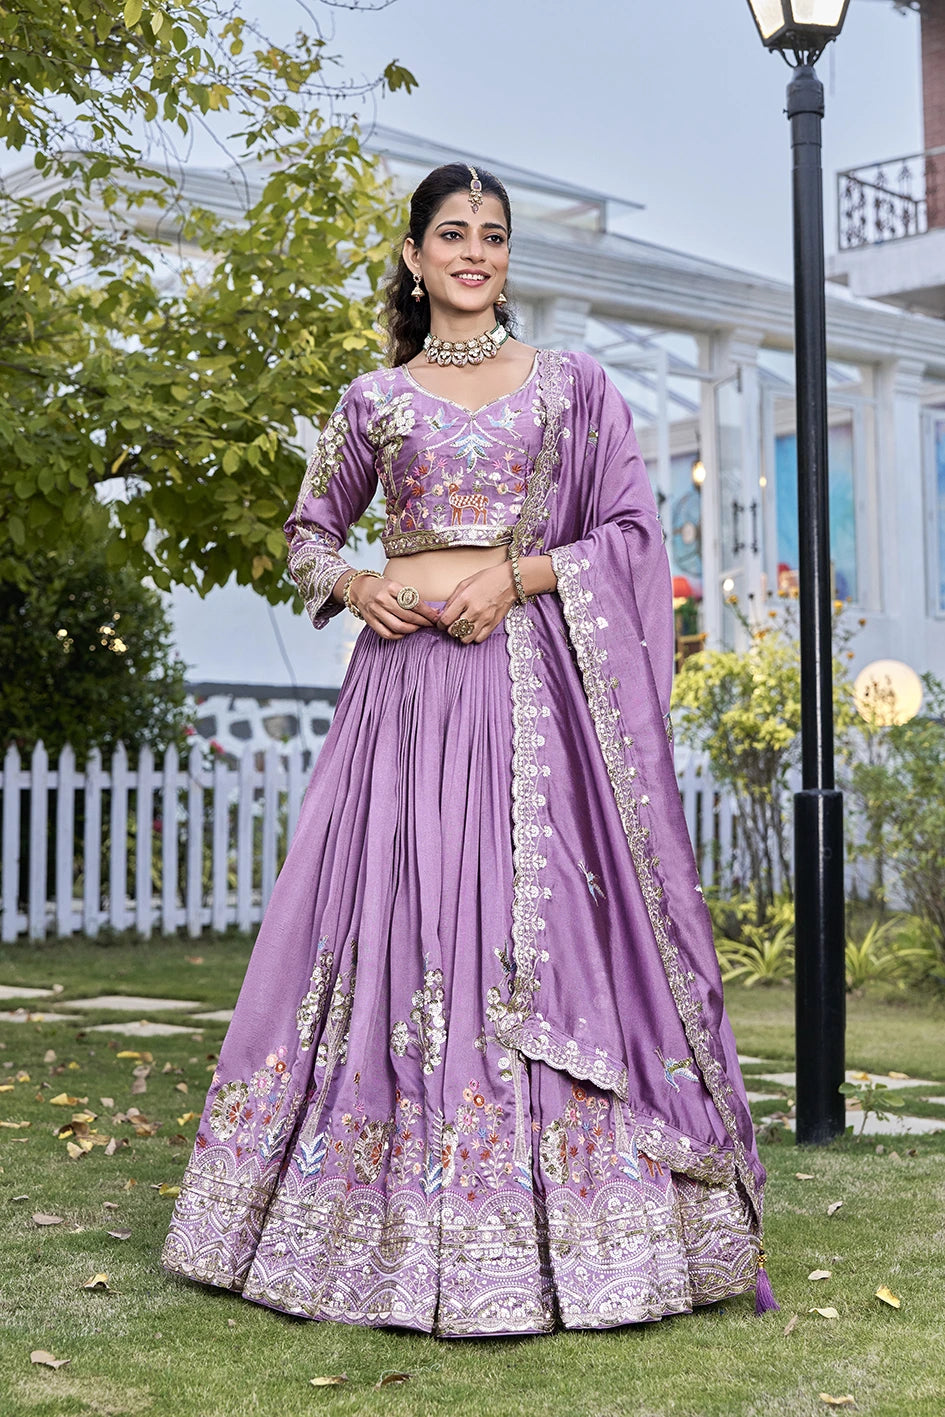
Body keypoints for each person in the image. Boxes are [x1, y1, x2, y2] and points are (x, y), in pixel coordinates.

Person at [162, 162, 774, 1337]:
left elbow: (634, 533)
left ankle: (566, 1228)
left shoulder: (571, 389)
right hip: (400, 702)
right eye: (453, 233)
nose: (475, 253)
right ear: (412, 255)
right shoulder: (370, 402)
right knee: (394, 923)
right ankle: (363, 1218)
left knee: (513, 930)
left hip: (522, 693)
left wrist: (521, 573)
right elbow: (305, 536)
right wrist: (353, 584)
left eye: (493, 237)